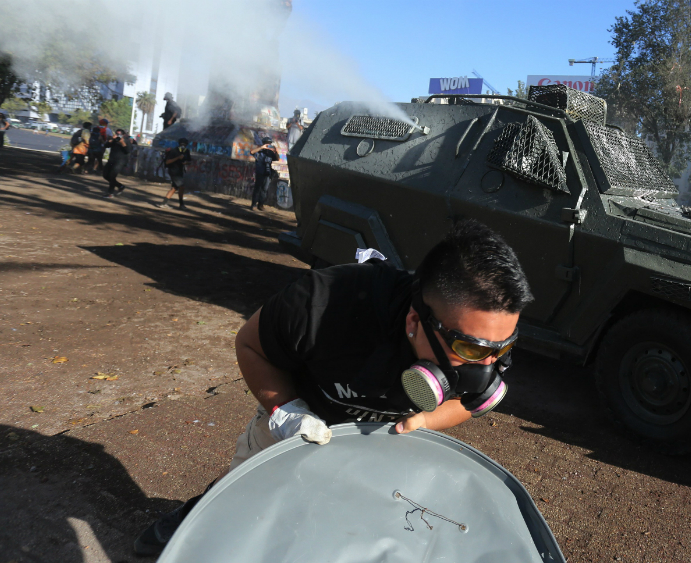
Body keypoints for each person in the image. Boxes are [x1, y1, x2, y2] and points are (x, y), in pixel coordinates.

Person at [133, 219, 533, 556]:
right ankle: (199, 516)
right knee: (247, 501)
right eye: (469, 348)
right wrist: (286, 412)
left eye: (502, 348)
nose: (487, 365)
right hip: (301, 412)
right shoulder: (323, 305)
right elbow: (250, 344)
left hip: (382, 437)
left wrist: (426, 420)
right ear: (415, 320)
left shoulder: (487, 337)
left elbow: (474, 401)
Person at [156, 138, 192, 209]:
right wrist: (178, 157)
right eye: (182, 144)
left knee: (174, 188)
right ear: (179, 144)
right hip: (173, 171)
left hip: (180, 171)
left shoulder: (186, 151)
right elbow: (167, 162)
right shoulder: (174, 151)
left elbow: (189, 161)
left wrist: (185, 163)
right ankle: (181, 204)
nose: (183, 146)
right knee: (182, 186)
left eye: (184, 145)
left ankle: (164, 203)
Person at [249, 136, 278, 211]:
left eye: (269, 143)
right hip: (260, 172)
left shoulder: (270, 153)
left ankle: (261, 204)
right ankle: (254, 204)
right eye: (267, 143)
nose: (268, 145)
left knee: (264, 189)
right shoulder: (259, 152)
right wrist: (262, 147)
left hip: (267, 173)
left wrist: (275, 150)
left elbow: (277, 158)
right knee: (257, 188)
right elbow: (252, 152)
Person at [102, 129, 132, 197]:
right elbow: (106, 145)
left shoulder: (126, 140)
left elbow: (128, 150)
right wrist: (111, 140)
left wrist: (122, 143)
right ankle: (120, 186)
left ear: (123, 135)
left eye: (120, 134)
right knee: (105, 175)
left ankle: (110, 193)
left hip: (120, 161)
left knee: (112, 176)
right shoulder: (114, 140)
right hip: (111, 160)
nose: (118, 135)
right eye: (117, 134)